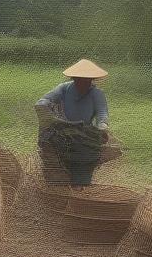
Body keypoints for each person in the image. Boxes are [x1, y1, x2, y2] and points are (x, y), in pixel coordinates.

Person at [35, 59, 111, 188]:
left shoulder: (97, 94)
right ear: (74, 78)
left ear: (92, 80)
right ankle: (56, 186)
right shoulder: (64, 88)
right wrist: (43, 104)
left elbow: (102, 113)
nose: (82, 83)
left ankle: (80, 185)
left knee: (86, 155)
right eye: (79, 79)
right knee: (49, 146)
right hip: (62, 130)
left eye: (86, 80)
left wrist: (102, 126)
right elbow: (44, 100)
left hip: (84, 133)